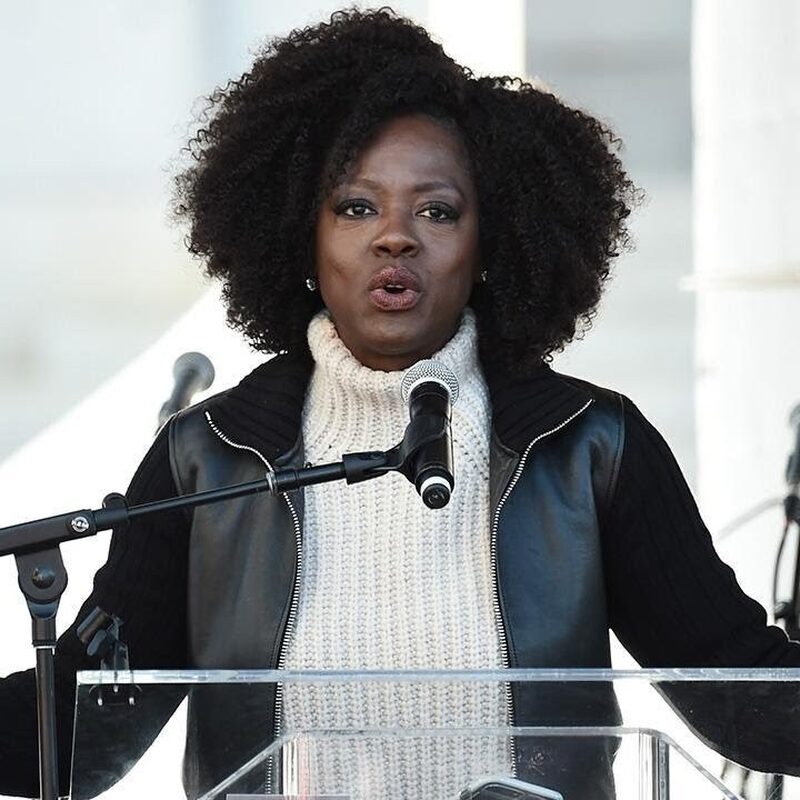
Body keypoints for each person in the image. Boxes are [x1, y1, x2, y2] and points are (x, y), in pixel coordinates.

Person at [1, 8, 799, 800]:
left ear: (493, 243)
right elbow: (81, 734)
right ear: (298, 237)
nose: (395, 237)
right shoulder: (206, 459)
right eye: (356, 206)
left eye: (438, 210)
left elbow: (748, 700)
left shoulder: (590, 447)